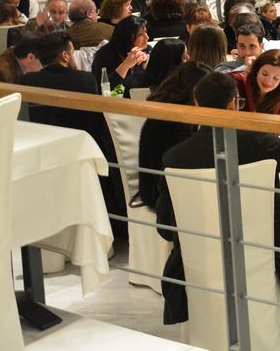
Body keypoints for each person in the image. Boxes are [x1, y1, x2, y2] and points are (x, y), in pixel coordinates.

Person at [156, 72, 280, 324]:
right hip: (259, 249)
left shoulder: (175, 157)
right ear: (232, 104)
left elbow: (165, 226)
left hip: (197, 260)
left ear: (197, 103)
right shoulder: (254, 141)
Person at [18, 31, 124, 231]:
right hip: (82, 156)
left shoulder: (25, 83)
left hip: (41, 159)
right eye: (73, 52)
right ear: (65, 56)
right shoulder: (85, 80)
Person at [136, 62, 212, 209]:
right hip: (161, 193)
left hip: (175, 186)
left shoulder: (187, 117)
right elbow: (168, 170)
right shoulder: (164, 122)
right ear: (193, 90)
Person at [91, 16, 149, 93]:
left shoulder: (144, 49)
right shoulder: (104, 56)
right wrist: (126, 65)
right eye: (140, 35)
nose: (147, 37)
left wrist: (146, 59)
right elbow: (103, 89)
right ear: (127, 37)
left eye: (146, 32)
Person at [232, 49, 280, 115]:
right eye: (265, 74)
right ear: (257, 70)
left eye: (275, 78)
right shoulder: (237, 82)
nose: (268, 81)